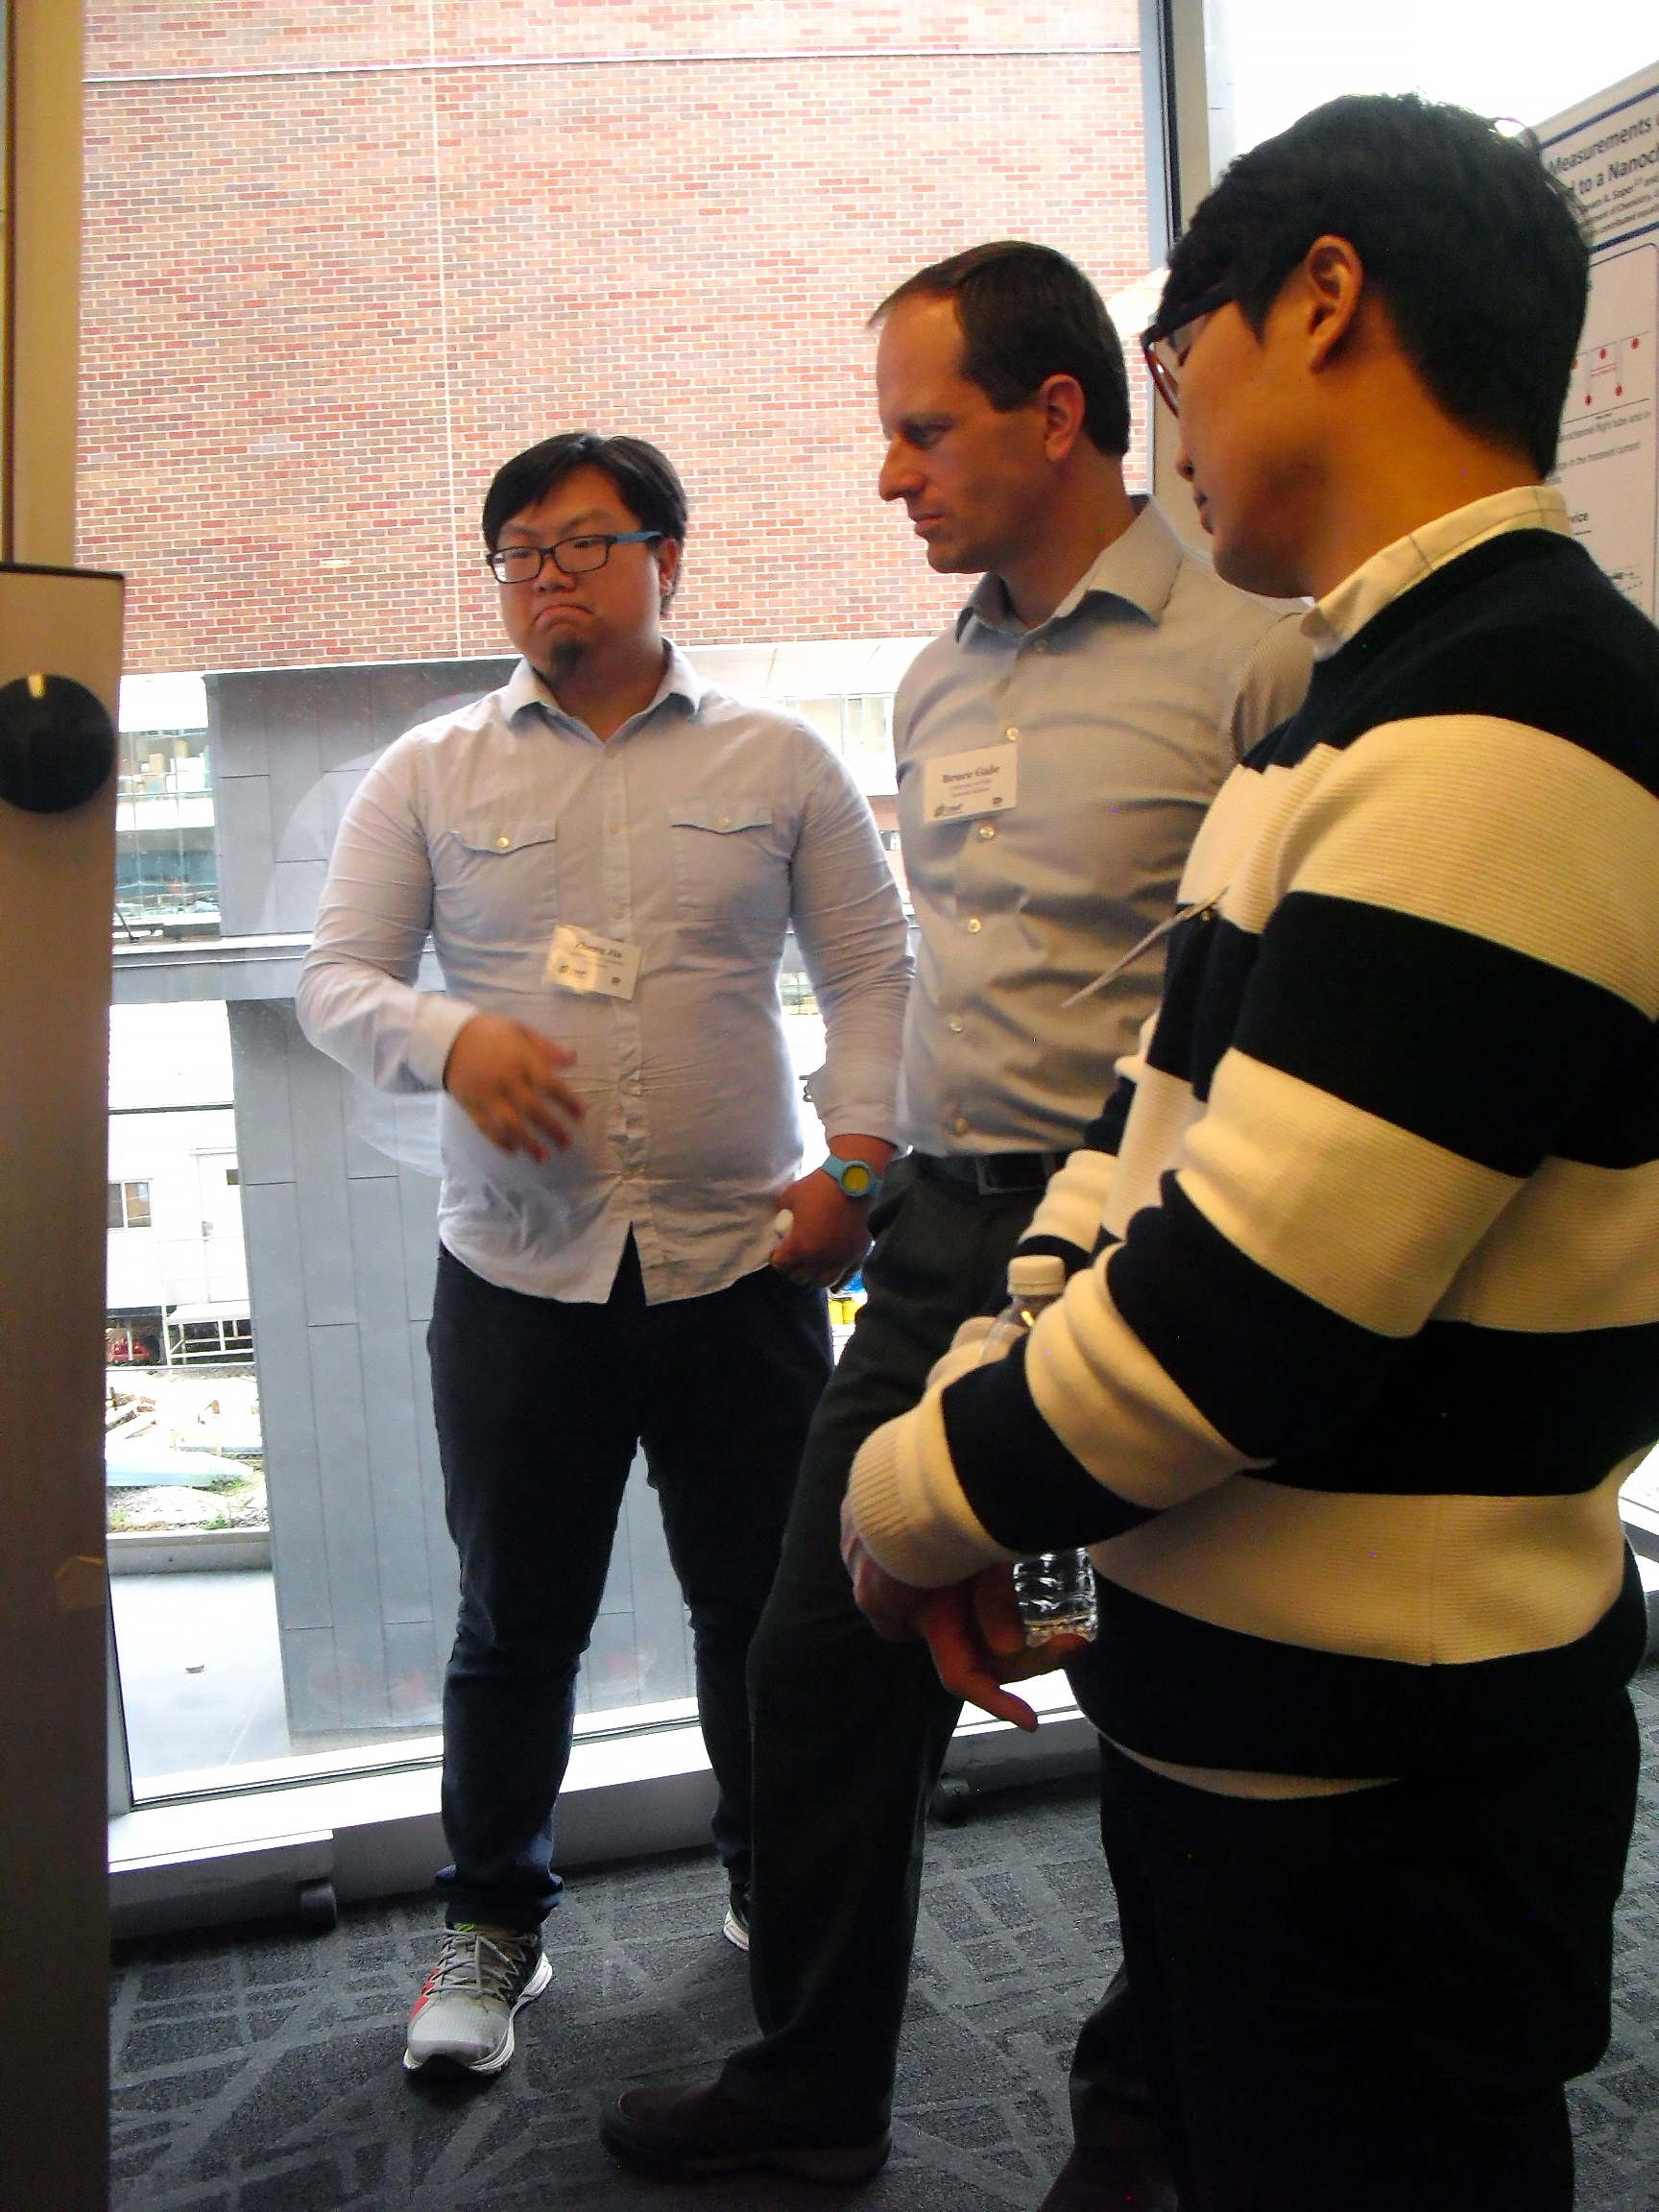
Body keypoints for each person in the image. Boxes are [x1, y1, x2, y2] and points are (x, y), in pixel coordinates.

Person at [837, 97, 1659, 2212]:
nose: (1167, 409)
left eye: (1175, 349)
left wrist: (913, 1495)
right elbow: (1136, 1149)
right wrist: (982, 1403)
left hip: (1388, 1770)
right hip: (1250, 1716)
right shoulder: (1345, 704)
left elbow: (1241, 1324)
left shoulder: (1518, 719)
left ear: (1323, 297)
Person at [601, 243, 1310, 2201]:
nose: (890, 477)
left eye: (923, 432)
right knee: (819, 1651)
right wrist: (864, 1166)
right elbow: (957, 976)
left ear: (1058, 413)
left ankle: (1149, 2109)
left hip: (1145, 1252)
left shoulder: (1252, 650)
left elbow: (1271, 1002)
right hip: (934, 1240)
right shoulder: (935, 677)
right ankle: (816, 2091)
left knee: (1156, 1682)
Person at [296, 431, 910, 2078]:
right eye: (517, 553)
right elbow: (335, 983)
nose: (544, 577)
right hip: (516, 1280)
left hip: (746, 1270)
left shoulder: (783, 760)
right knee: (516, 1623)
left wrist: (860, 1160)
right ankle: (492, 1924)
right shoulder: (429, 771)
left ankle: (771, 1884)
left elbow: (875, 976)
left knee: (759, 1612)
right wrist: (448, 1035)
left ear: (669, 557)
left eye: (580, 544)